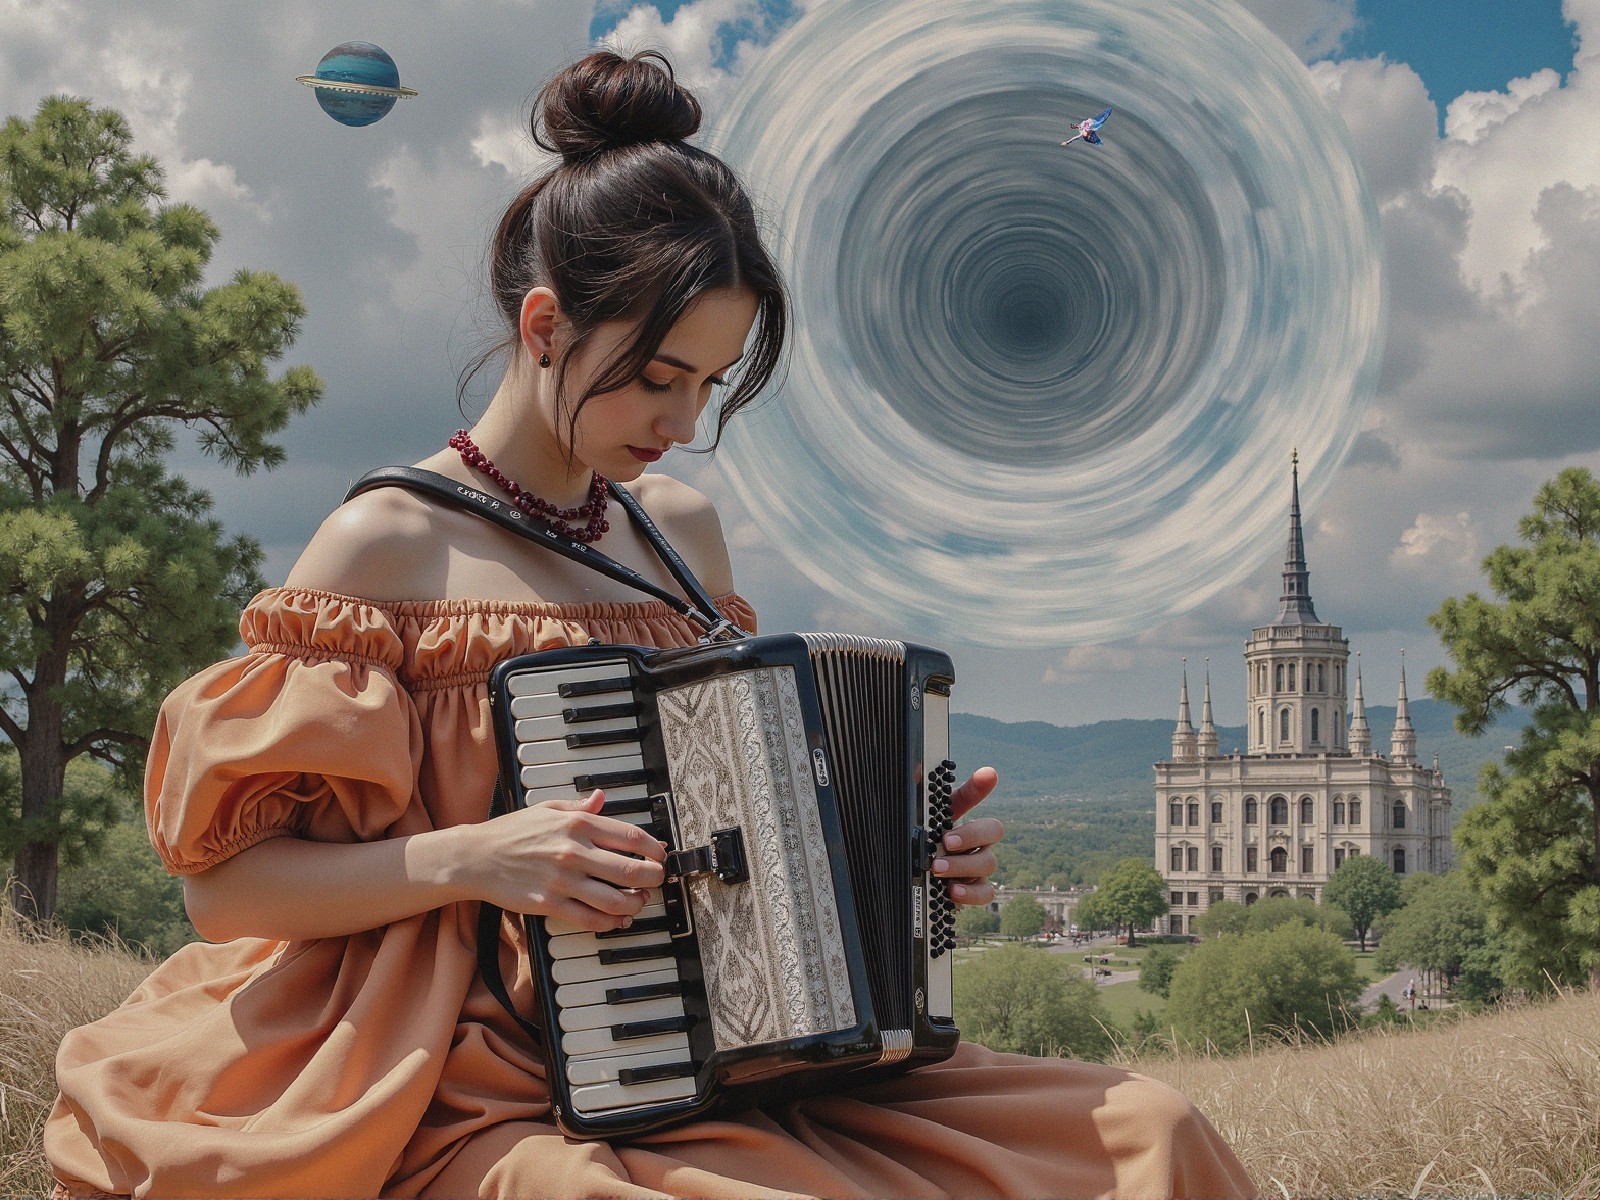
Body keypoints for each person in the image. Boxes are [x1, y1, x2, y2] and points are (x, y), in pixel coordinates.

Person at [46, 50, 1257, 1200]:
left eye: (710, 384)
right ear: (543, 331)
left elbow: (748, 825)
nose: (681, 419)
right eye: (656, 375)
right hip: (464, 1071)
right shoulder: (389, 545)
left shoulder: (681, 534)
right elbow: (229, 895)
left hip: (739, 1043)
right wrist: (476, 859)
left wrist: (899, 866)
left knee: (1153, 1131)